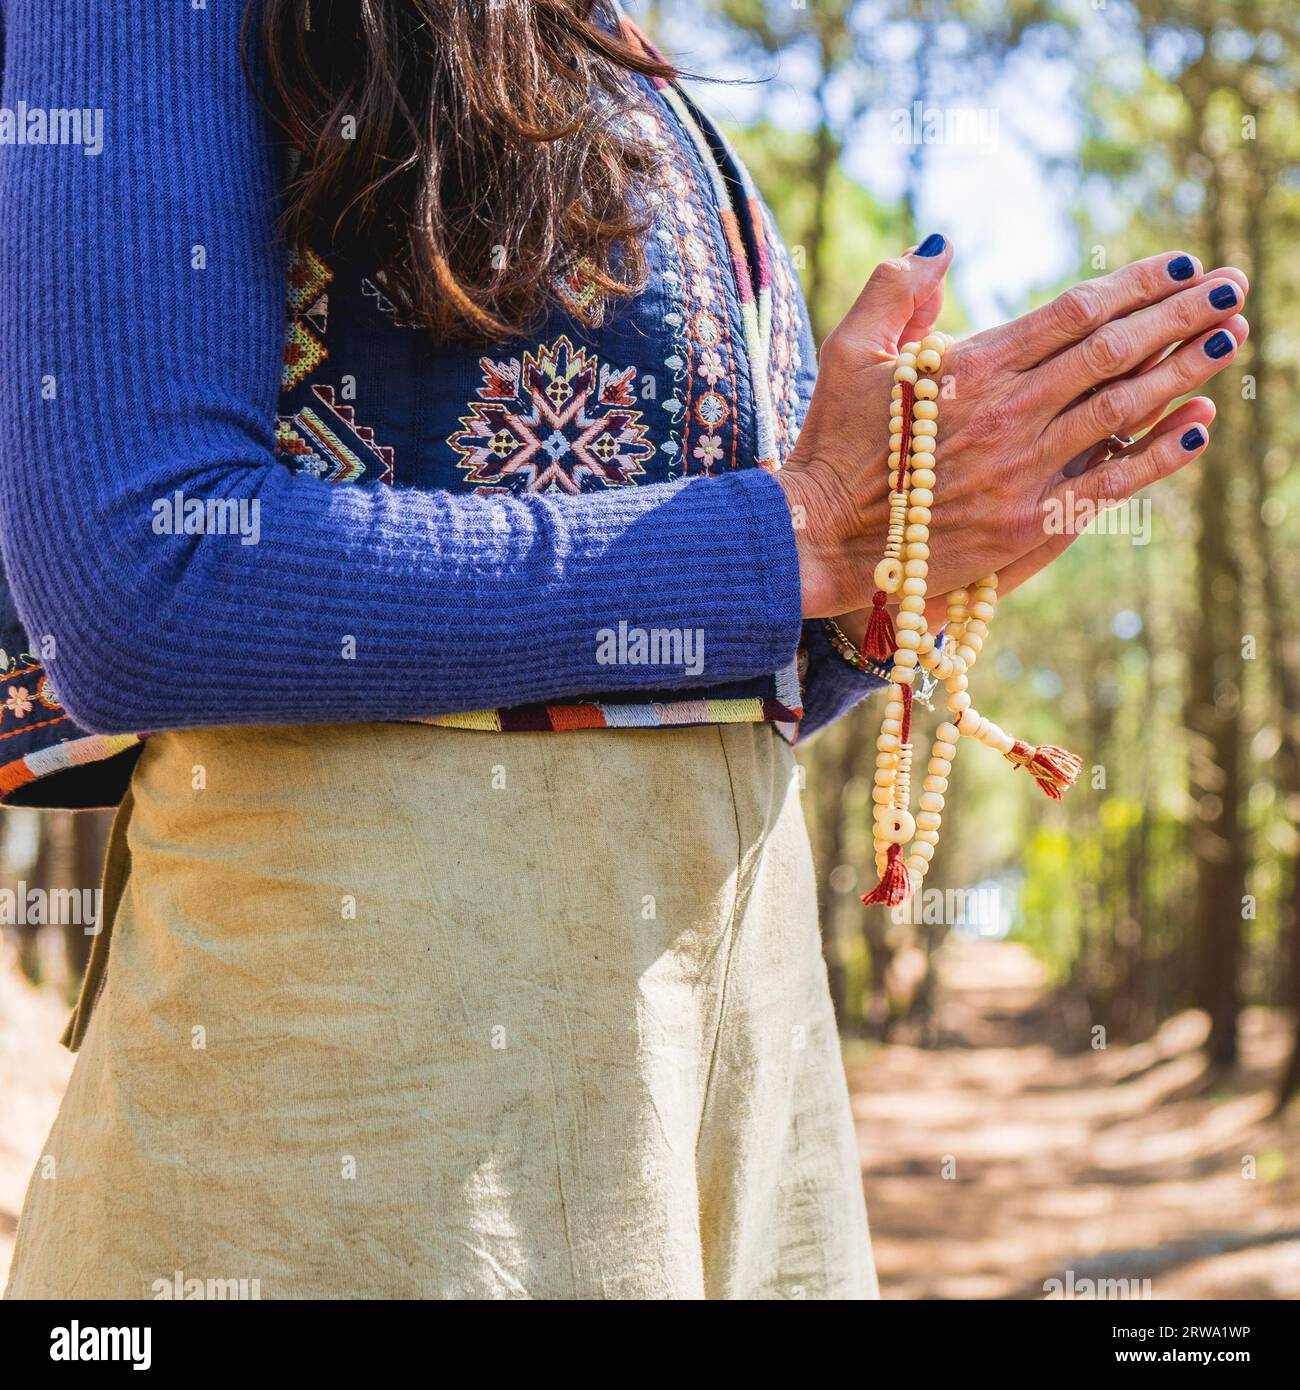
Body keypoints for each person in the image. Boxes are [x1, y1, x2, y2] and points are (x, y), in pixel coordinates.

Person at [0, 0, 1247, 1299]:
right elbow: (136, 570)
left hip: (744, 1070)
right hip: (372, 1083)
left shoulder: (629, 58)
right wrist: (792, 535)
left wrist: (860, 595)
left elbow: (667, 666)